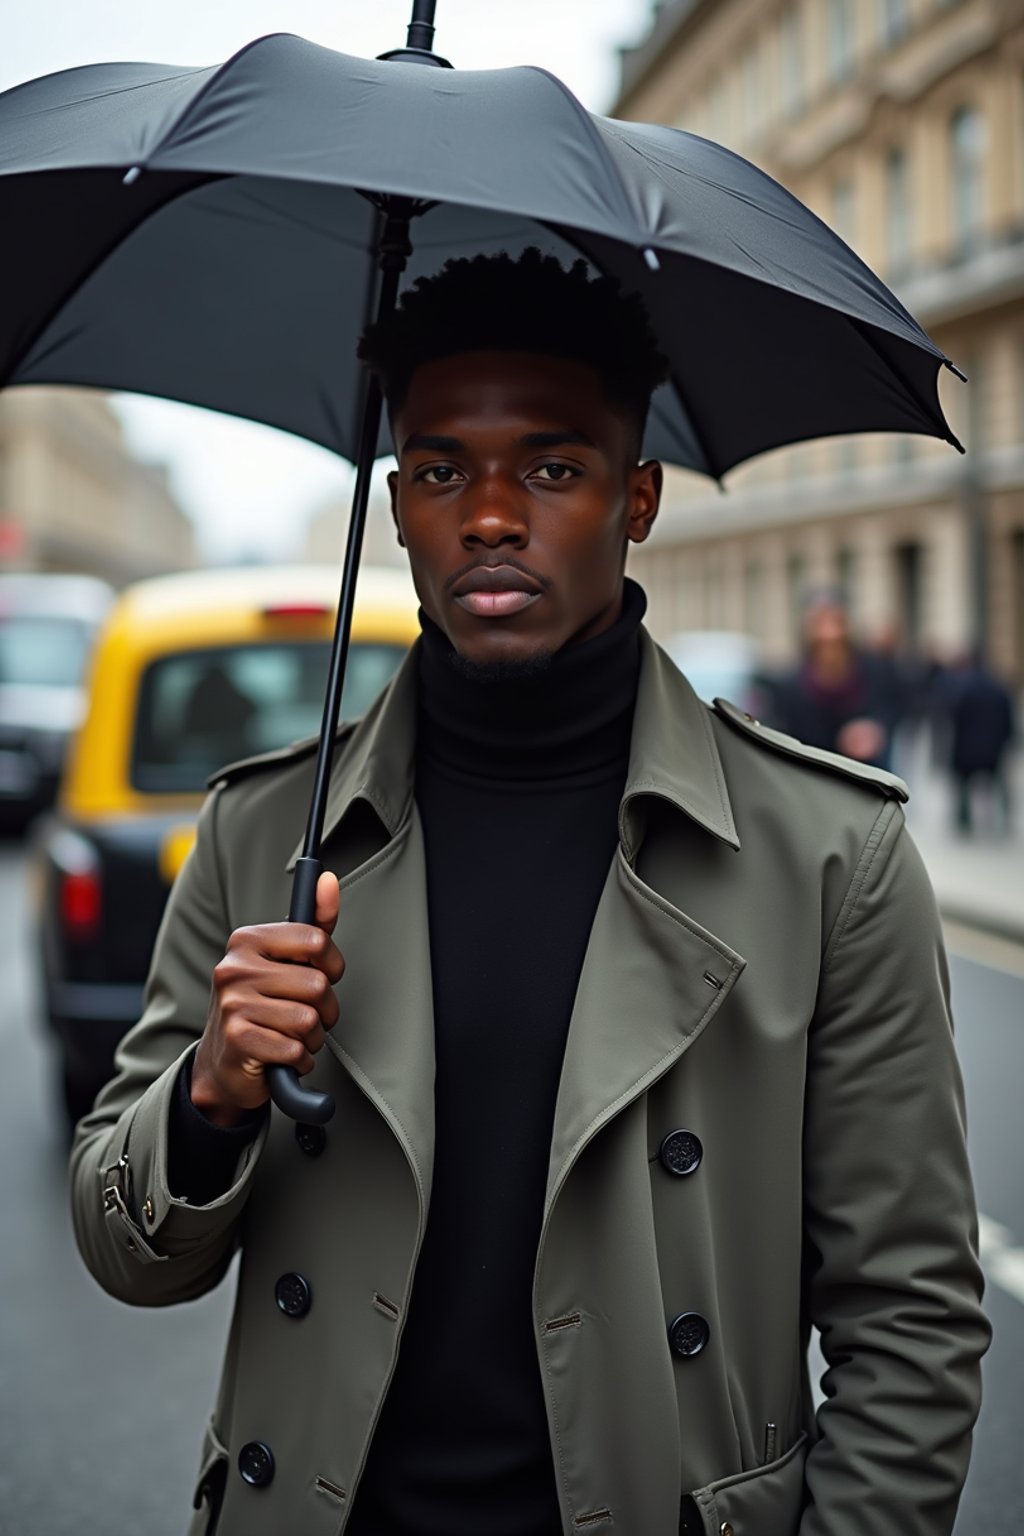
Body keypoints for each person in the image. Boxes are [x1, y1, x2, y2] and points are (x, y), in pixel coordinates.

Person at [71, 251, 989, 1536]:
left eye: (551, 469)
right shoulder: (265, 827)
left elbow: (909, 1319)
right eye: (442, 470)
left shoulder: (826, 853)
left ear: (639, 497)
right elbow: (124, 1249)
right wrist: (215, 1095)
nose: (489, 514)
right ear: (395, 507)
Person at [773, 592, 899, 769]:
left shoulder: (877, 670)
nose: (829, 634)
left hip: (870, 776)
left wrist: (875, 729)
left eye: (835, 622)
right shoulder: (790, 685)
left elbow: (892, 708)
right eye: (819, 623)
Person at [942, 650, 1016, 834]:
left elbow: (955, 717)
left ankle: (964, 818)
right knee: (999, 782)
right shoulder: (1000, 690)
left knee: (962, 782)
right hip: (993, 748)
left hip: (967, 747)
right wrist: (1006, 742)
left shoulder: (965, 689)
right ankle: (1005, 817)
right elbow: (1008, 721)